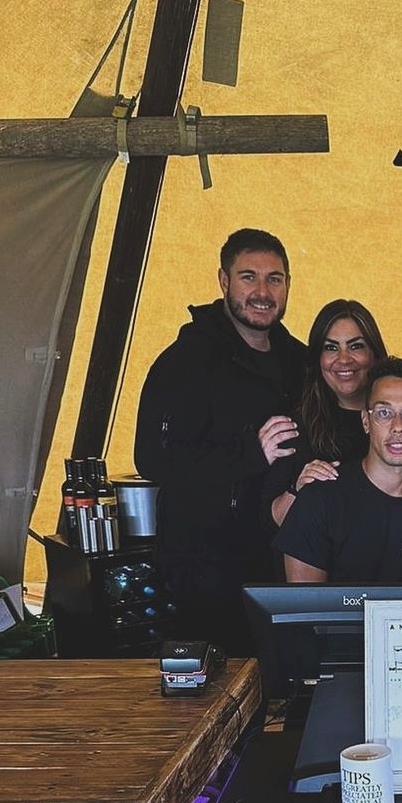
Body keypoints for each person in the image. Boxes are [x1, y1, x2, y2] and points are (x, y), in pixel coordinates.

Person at [134, 227, 306, 654]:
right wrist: (249, 453)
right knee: (215, 698)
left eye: (275, 279)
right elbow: (153, 459)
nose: (263, 291)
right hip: (206, 569)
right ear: (224, 282)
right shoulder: (186, 363)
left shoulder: (299, 361)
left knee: (281, 687)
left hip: (281, 560)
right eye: (249, 277)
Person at [276, 356, 402, 584]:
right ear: (365, 421)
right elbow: (304, 609)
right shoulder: (319, 499)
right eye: (384, 413)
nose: (398, 427)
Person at [263, 299, 388, 529]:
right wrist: (298, 488)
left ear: (374, 354)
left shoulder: (398, 427)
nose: (343, 359)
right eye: (331, 347)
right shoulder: (294, 429)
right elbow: (270, 523)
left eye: (355, 346)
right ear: (317, 359)